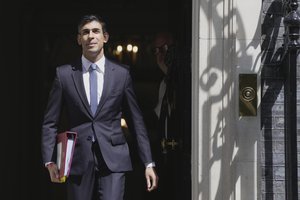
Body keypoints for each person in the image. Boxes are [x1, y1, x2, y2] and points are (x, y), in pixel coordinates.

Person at [41, 14, 158, 200]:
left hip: (114, 158)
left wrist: (148, 163)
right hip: (77, 159)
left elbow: (136, 122)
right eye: (85, 32)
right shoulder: (63, 75)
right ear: (79, 39)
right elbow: (50, 122)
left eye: (96, 31)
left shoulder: (121, 74)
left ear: (105, 37)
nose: (91, 36)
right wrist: (49, 160)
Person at [150, 31, 181, 200]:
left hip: (181, 158)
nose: (160, 55)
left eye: (164, 49)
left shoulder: (186, 83)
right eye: (156, 51)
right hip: (165, 157)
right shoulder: (164, 84)